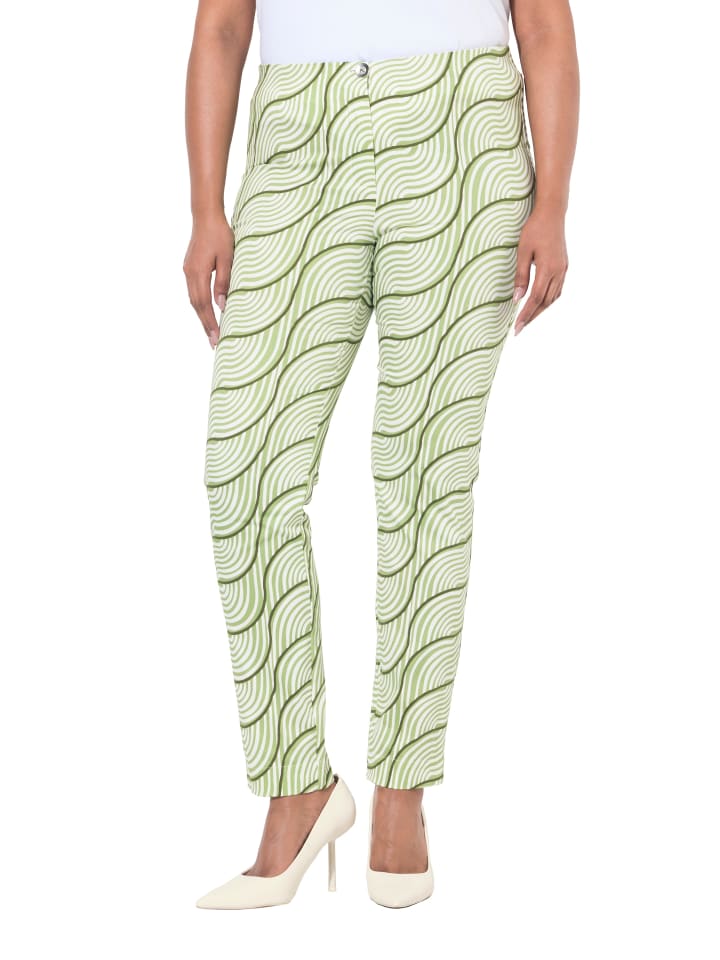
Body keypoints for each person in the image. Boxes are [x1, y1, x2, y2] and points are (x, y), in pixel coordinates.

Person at [183, 0, 579, 909]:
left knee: (426, 476)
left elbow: (544, 24)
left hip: (461, 137)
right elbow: (221, 27)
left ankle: (403, 793)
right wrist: (206, 208)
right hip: (297, 141)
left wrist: (553, 201)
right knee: (243, 469)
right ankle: (297, 787)